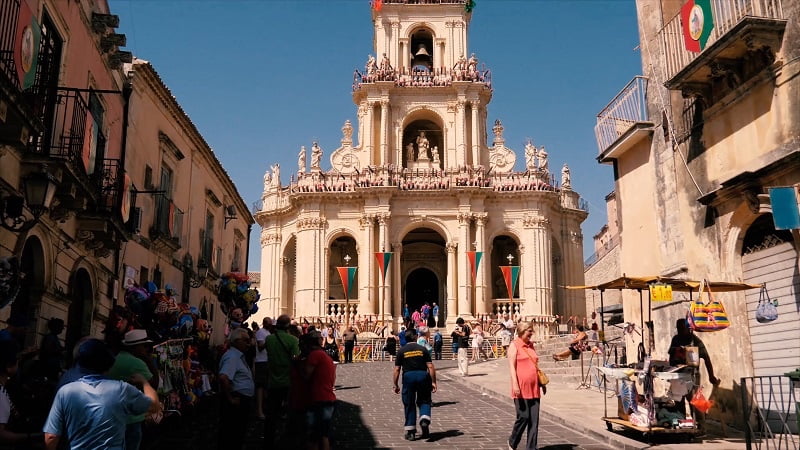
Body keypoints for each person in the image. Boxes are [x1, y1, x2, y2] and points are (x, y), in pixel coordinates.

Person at [43, 339, 159, 450]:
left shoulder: (65, 391)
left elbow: (51, 437)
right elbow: (154, 406)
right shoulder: (122, 389)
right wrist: (145, 383)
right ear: (108, 364)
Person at [107, 329, 158, 450]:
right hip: (131, 418)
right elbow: (154, 383)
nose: (146, 349)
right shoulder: (136, 363)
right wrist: (148, 359)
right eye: (144, 346)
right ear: (136, 347)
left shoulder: (117, 358)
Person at [668, 318, 720, 430]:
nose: (680, 331)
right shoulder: (676, 339)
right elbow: (671, 356)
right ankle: (682, 426)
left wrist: (711, 376)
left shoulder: (695, 341)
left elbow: (706, 358)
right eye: (679, 329)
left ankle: (700, 427)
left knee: (695, 402)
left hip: (692, 375)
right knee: (679, 400)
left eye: (682, 329)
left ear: (688, 328)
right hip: (678, 375)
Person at [393, 328, 437, 441]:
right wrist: (433, 381)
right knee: (425, 400)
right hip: (423, 376)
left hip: (408, 377)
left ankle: (411, 431)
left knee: (409, 403)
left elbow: (397, 369)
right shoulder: (423, 349)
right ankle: (424, 420)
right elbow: (430, 366)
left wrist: (395, 384)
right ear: (416, 337)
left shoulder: (401, 351)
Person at [507, 321, 545, 450]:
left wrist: (541, 383)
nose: (531, 334)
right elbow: (512, 367)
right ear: (523, 331)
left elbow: (535, 365)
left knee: (534, 421)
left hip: (534, 388)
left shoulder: (531, 346)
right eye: (530, 331)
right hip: (521, 388)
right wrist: (515, 385)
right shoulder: (514, 345)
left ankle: (531, 448)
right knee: (523, 417)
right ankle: (513, 441)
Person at [264, 315, 300, 445]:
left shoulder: (269, 339)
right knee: (289, 412)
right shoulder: (293, 340)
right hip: (288, 381)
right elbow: (296, 358)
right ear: (288, 326)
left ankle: (269, 440)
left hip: (273, 381)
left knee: (271, 414)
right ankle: (287, 440)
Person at [0, 340, 43, 448]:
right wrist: (34, 436)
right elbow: (2, 435)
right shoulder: (1, 394)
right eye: (17, 361)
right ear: (8, 366)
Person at [217, 327, 255, 450]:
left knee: (237, 433)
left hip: (241, 398)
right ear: (237, 341)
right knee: (233, 434)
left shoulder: (237, 355)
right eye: (246, 340)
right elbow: (223, 377)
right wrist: (231, 399)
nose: (249, 344)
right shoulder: (232, 356)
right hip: (237, 400)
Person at [302, 330, 336, 450]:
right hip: (327, 397)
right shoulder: (323, 354)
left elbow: (306, 375)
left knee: (313, 436)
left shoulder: (315, 355)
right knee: (323, 435)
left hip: (319, 398)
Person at [254, 317, 271, 420]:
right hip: (261, 361)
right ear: (265, 323)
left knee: (265, 386)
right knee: (260, 386)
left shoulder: (267, 332)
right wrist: (268, 342)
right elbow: (260, 347)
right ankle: (259, 410)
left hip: (266, 361)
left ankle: (264, 408)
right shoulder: (261, 332)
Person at [39, 318, 65, 383]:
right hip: (49, 368)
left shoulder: (53, 337)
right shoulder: (50, 337)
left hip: (52, 367)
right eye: (61, 327)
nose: (62, 329)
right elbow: (48, 350)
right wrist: (60, 351)